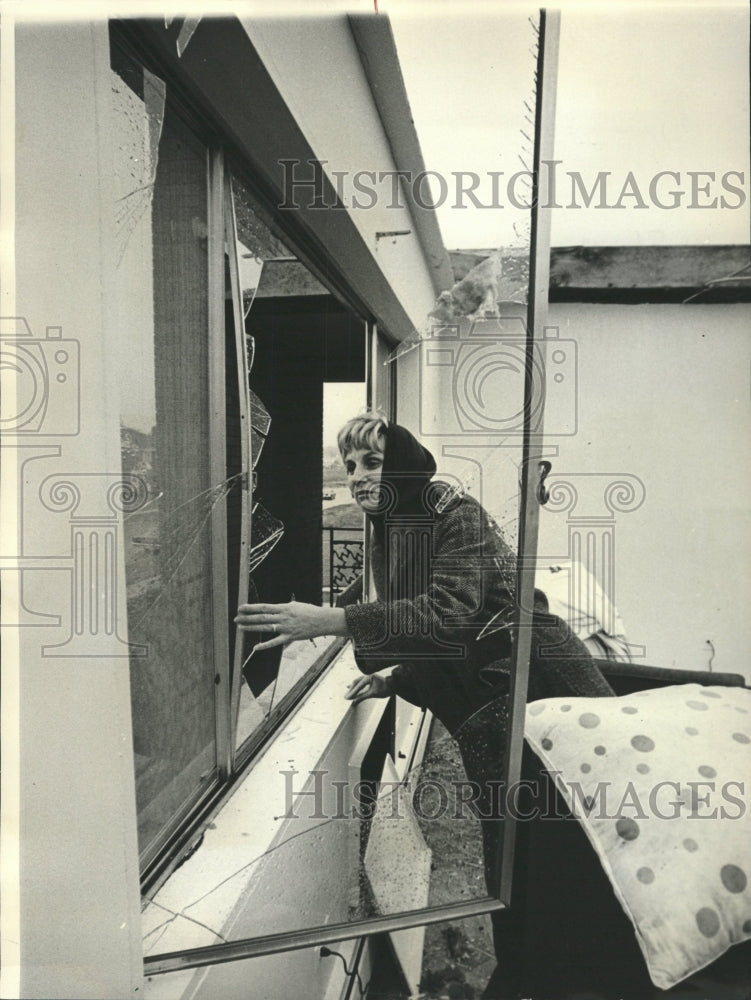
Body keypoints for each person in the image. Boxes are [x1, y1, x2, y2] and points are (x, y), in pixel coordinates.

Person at [236, 412, 613, 996]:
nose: (359, 476)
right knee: (515, 856)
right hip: (493, 706)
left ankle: (562, 976)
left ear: (406, 462)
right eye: (351, 465)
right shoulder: (391, 529)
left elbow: (451, 613)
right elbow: (444, 636)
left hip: (541, 687)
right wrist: (396, 679)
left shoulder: (453, 516)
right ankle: (531, 974)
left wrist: (333, 620)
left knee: (580, 845)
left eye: (373, 461)